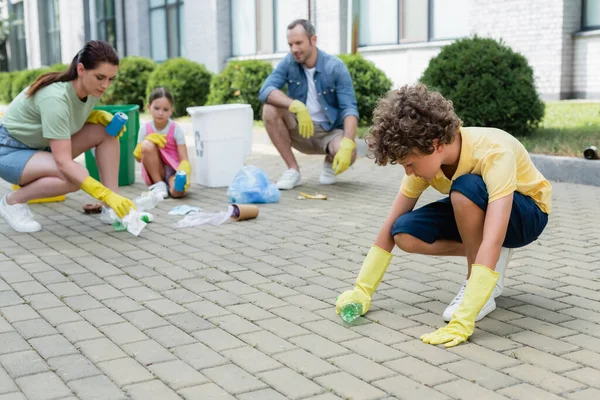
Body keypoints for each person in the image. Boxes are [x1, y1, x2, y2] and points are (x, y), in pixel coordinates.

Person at [336, 84, 551, 348]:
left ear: (435, 144)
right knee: (403, 232)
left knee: (464, 189)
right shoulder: (426, 162)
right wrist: (362, 290)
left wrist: (464, 318)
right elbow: (388, 226)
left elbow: (494, 235)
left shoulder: (494, 151)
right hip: (478, 207)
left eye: (410, 164)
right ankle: (491, 262)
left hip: (526, 214)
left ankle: (480, 287)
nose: (408, 173)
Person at [0, 40, 135, 233]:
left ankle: (112, 208)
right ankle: (11, 203)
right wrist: (103, 193)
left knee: (107, 132)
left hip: (41, 146)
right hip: (9, 151)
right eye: (100, 77)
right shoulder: (55, 98)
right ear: (81, 69)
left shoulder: (91, 90)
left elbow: (71, 115)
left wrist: (94, 115)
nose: (105, 85)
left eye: (110, 79)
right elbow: (64, 162)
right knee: (73, 176)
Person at [259, 19, 359, 189]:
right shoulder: (289, 62)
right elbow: (266, 90)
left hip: (330, 133)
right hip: (300, 129)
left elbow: (349, 108)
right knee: (270, 109)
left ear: (313, 40)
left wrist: (348, 142)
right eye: (290, 44)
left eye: (298, 43)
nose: (294, 49)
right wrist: (295, 105)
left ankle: (329, 162)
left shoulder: (335, 67)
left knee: (350, 152)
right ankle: (293, 171)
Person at [133, 87, 190, 198]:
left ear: (171, 110)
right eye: (156, 108)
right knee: (147, 144)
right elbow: (139, 159)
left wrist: (184, 171)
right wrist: (140, 149)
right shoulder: (145, 129)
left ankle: (171, 185)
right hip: (156, 171)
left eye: (165, 109)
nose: (160, 113)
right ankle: (159, 184)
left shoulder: (176, 129)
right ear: (149, 107)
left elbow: (184, 158)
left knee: (177, 193)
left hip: (173, 171)